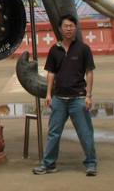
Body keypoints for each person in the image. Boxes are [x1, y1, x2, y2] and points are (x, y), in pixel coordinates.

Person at [33, 14, 97, 176]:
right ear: (60, 29)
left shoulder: (83, 49)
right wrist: (48, 94)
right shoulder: (54, 50)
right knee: (54, 132)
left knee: (85, 132)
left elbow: (89, 72)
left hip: (78, 98)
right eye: (65, 26)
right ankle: (48, 164)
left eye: (71, 26)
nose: (68, 29)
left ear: (76, 28)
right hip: (59, 98)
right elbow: (51, 73)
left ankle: (91, 163)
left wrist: (88, 95)